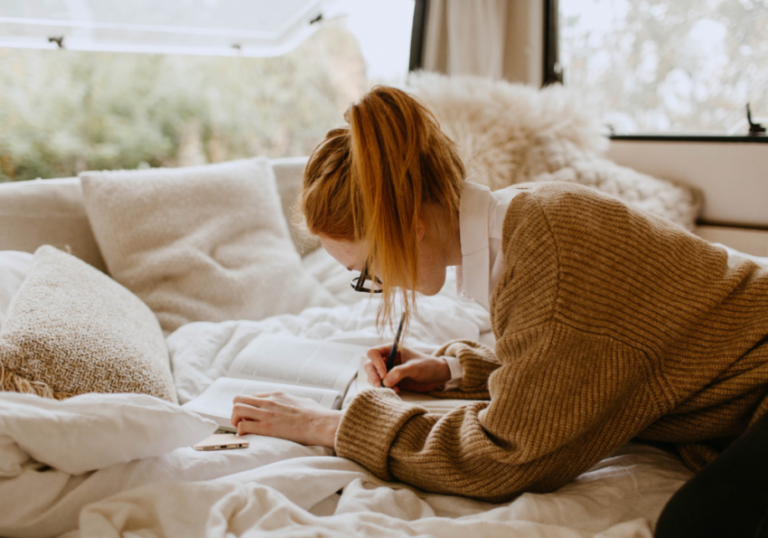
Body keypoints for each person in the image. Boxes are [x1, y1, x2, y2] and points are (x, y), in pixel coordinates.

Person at [230, 86, 768, 535]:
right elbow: (582, 365)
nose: (376, 284)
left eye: (369, 269)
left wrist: (333, 425)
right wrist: (454, 370)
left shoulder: (548, 259)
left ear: (410, 225)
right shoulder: (522, 222)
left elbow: (506, 455)